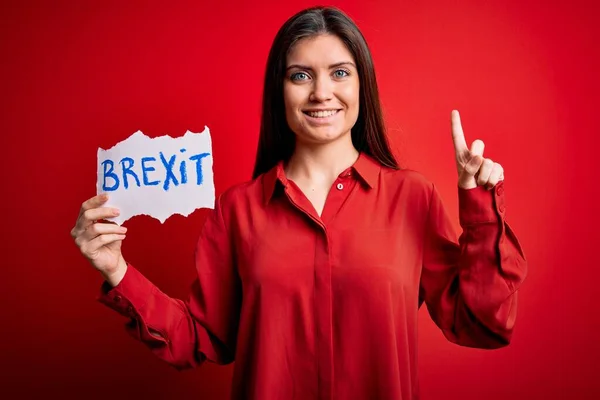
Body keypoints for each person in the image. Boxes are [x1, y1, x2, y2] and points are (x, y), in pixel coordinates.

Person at [70, 6, 527, 400]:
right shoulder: (239, 211)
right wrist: (117, 270)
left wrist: (480, 209)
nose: (321, 93)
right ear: (280, 91)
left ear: (362, 85)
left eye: (340, 72)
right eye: (301, 75)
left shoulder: (412, 198)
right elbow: (200, 337)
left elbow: (482, 323)